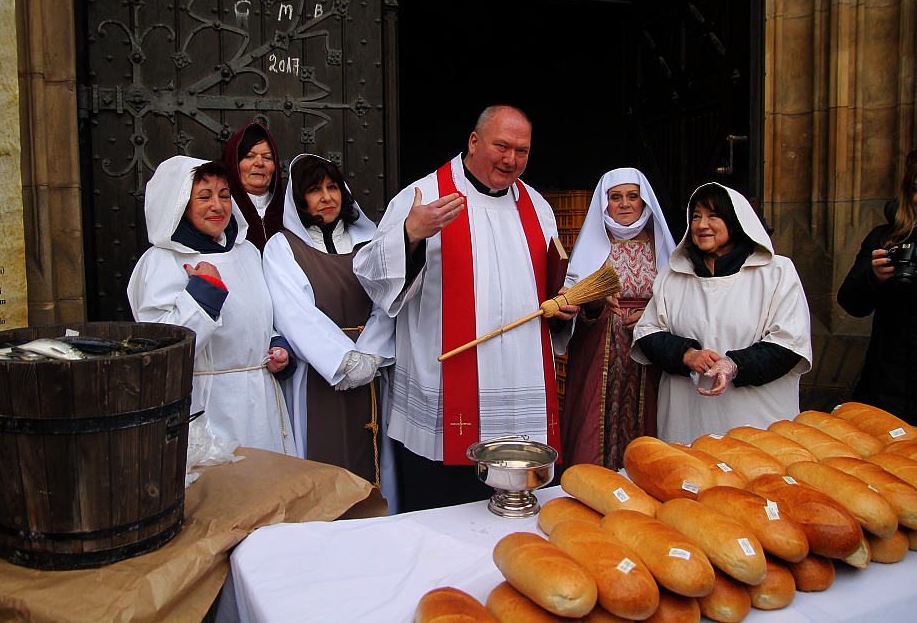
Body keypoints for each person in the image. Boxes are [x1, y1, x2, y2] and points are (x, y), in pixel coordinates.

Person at [353, 105, 578, 511]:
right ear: (474, 141)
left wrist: (564, 307)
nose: (511, 160)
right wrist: (410, 235)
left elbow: (550, 283)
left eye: (522, 151)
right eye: (502, 146)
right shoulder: (423, 196)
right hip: (445, 382)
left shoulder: (538, 207)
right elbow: (372, 276)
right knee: (445, 516)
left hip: (519, 381)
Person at [128, 155, 297, 457]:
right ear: (178, 205)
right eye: (204, 197)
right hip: (209, 403)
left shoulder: (247, 252)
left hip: (261, 400)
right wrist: (204, 292)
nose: (218, 206)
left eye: (224, 195)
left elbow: (259, 317)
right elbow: (160, 347)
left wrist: (276, 344)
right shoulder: (161, 262)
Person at [262, 154, 399, 512]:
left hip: (371, 371)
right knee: (321, 464)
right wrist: (344, 359)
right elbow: (294, 312)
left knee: (374, 465)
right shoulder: (283, 247)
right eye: (314, 190)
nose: (327, 197)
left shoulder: (371, 241)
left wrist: (370, 353)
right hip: (321, 374)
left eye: (333, 186)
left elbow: (387, 302)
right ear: (298, 199)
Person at [631, 182, 812, 444]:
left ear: (736, 221)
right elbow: (647, 332)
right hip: (688, 419)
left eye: (713, 216)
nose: (702, 225)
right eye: (696, 216)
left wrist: (734, 364)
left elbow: (789, 343)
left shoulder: (776, 273)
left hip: (756, 421)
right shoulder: (674, 276)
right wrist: (686, 354)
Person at [560, 167, 677, 470]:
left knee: (647, 422)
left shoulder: (661, 245)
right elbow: (572, 301)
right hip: (598, 347)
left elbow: (678, 301)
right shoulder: (591, 246)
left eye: (632, 196)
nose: (625, 203)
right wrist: (593, 301)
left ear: (644, 202)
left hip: (646, 351)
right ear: (605, 203)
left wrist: (651, 317)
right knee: (592, 421)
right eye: (616, 197)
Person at [837, 149, 917, 424]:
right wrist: (875, 278)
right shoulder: (886, 238)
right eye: (916, 190)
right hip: (887, 379)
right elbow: (850, 302)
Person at [220, 121, 285, 250]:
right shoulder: (222, 211)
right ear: (234, 164)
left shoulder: (289, 212)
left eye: (267, 158)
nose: (259, 163)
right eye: (249, 156)